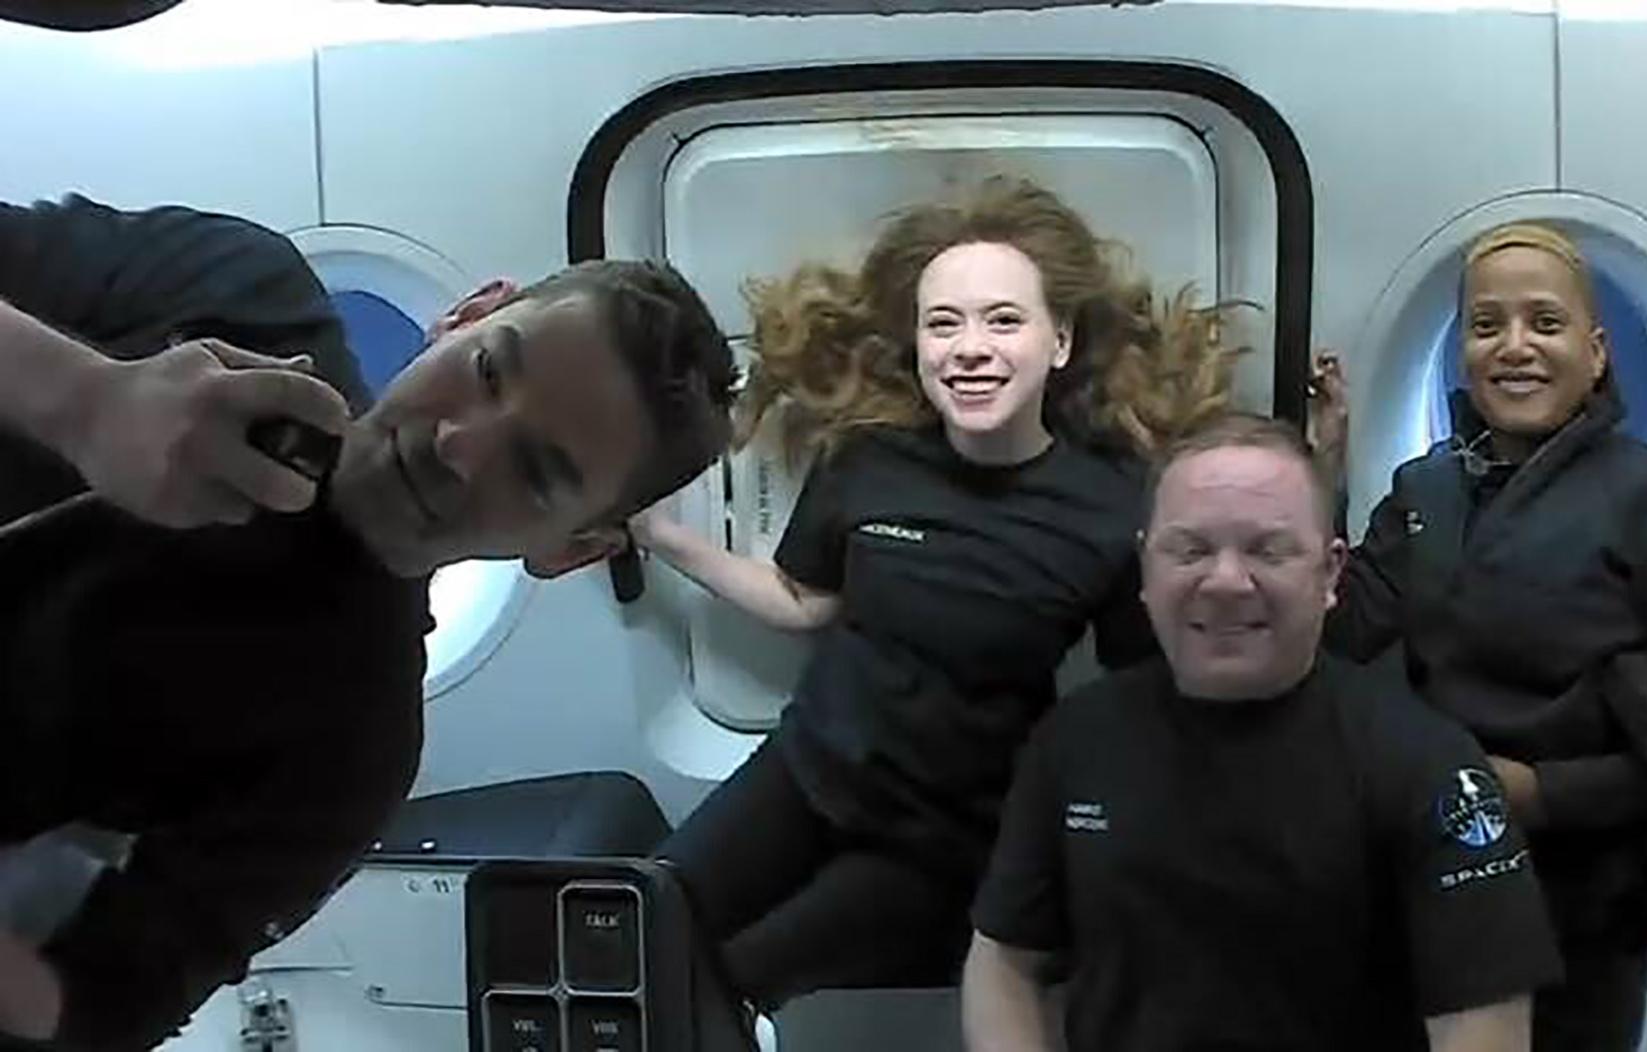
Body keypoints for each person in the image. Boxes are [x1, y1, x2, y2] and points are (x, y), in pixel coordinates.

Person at [0, 192, 736, 1048]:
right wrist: (81, 399)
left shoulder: (351, 749)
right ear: (468, 315)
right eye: (490, 370)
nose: (458, 445)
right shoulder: (238, 290)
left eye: (535, 471)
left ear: (571, 548)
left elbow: (95, 1006)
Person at [630, 176, 1244, 1024]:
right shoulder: (869, 461)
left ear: (1057, 342)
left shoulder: (1114, 503)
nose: (970, 348)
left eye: (1003, 320)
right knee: (644, 924)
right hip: (806, 773)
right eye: (943, 323)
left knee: (736, 977)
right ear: (919, 347)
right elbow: (804, 601)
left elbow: (1141, 690)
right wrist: (660, 537)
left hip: (938, 842)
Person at [1321, 221, 1647, 1050]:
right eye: (1486, 325)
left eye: (1546, 323)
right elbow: (1337, 634)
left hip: (1584, 892)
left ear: (1597, 350)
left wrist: (1546, 793)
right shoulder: (1428, 488)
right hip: (1428, 862)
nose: (1515, 348)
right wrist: (1311, 481)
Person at [964, 412, 1562, 1052]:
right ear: (1145, 567)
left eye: (1267, 550)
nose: (1224, 582)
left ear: (1331, 573)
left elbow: (1483, 1021)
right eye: (1189, 549)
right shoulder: (1074, 743)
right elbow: (1005, 960)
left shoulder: (1428, 767)